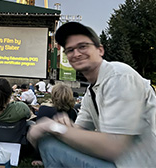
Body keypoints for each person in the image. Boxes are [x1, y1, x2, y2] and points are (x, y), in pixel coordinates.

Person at [27, 22, 156, 167]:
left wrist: (52, 127)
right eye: (69, 50)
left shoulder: (119, 76)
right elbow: (80, 130)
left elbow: (113, 147)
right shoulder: (91, 91)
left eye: (83, 46)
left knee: (49, 142)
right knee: (50, 138)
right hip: (118, 161)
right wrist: (62, 125)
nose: (76, 54)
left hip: (137, 163)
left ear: (100, 50)